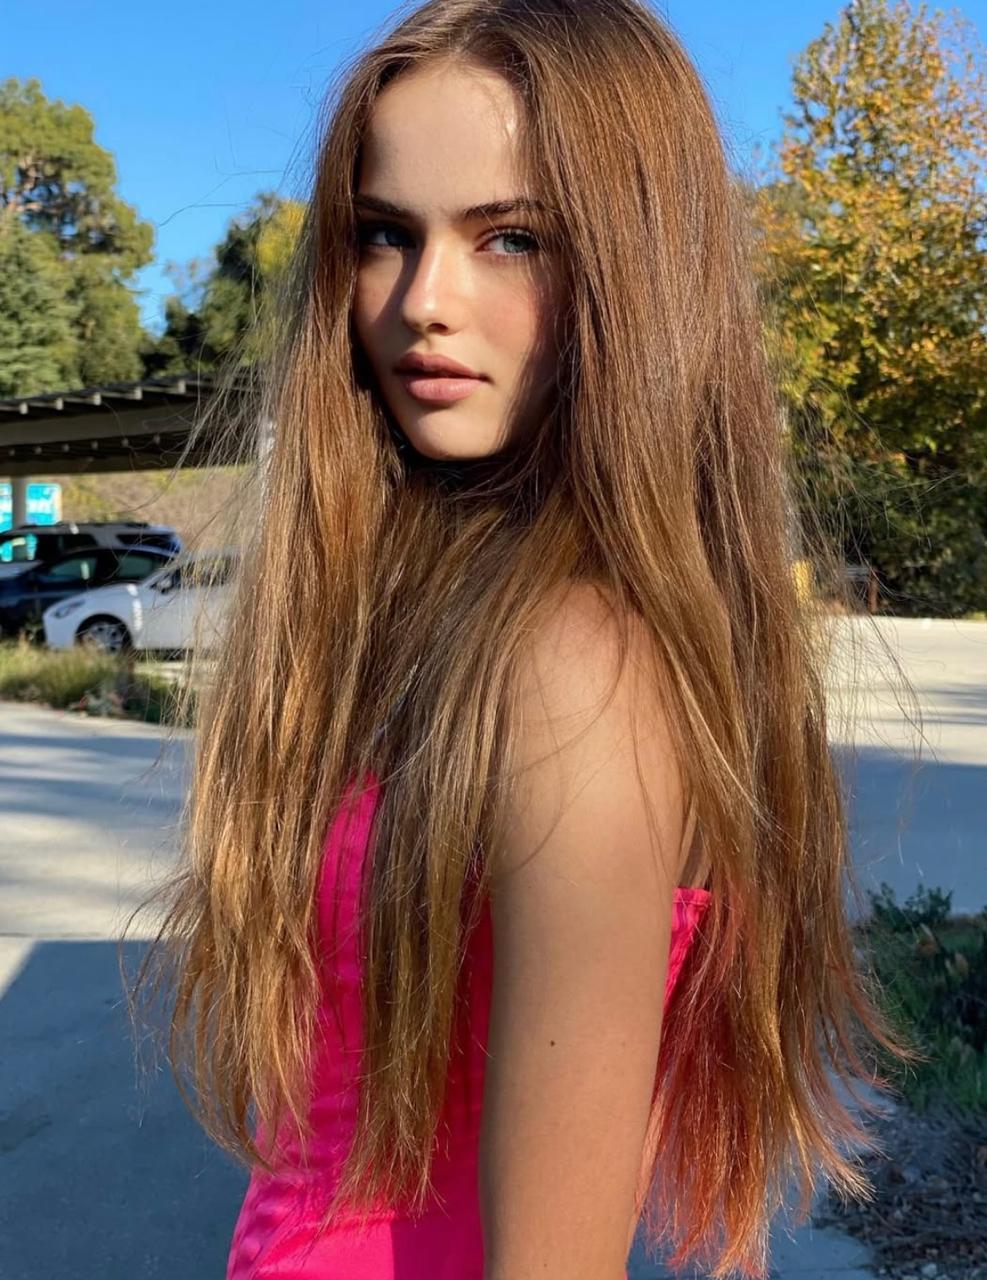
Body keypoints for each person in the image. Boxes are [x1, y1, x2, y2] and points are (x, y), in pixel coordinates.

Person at [130, 1, 914, 1277]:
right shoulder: (433, 620)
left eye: (512, 238)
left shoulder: (574, 670)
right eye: (385, 234)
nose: (423, 302)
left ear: (635, 270)